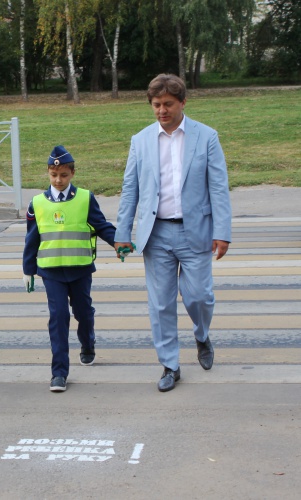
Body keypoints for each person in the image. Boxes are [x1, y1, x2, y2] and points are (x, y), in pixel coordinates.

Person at [114, 73, 232, 393]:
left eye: (167, 104)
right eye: (156, 105)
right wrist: (123, 232)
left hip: (196, 232)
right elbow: (130, 190)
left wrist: (222, 231)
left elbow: (218, 188)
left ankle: (202, 335)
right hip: (156, 235)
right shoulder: (141, 140)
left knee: (199, 297)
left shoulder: (206, 137)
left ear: (182, 102)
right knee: (161, 304)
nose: (161, 110)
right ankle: (170, 364)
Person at [22, 145, 117, 393]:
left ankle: (88, 343)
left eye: (63, 175)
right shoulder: (37, 203)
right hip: (51, 271)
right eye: (54, 175)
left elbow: (101, 225)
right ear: (48, 174)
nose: (58, 180)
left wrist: (119, 243)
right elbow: (31, 239)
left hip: (80, 269)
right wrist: (28, 270)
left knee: (83, 312)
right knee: (59, 317)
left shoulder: (86, 198)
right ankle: (59, 373)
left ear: (72, 173)